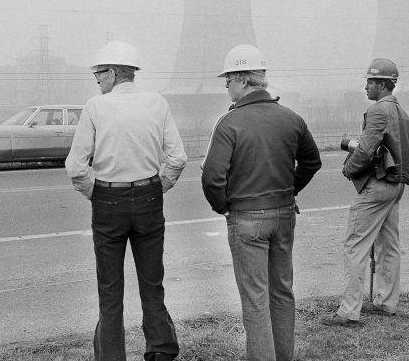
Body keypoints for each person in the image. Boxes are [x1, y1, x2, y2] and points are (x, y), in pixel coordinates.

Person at [65, 40, 187, 361]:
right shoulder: (157, 103)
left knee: (110, 289)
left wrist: (96, 191)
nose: (96, 79)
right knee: (152, 282)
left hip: (108, 201)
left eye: (98, 72)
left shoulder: (95, 107)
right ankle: (160, 350)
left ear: (114, 73)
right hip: (148, 198)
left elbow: (76, 166)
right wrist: (158, 186)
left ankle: (111, 356)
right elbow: (177, 158)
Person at [201, 44, 321, 361]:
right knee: (281, 291)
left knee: (255, 298)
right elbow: (312, 162)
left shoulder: (229, 123)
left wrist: (224, 206)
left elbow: (212, 176)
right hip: (283, 214)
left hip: (246, 217)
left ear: (242, 79)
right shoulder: (291, 119)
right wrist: (288, 191)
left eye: (228, 79)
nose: (226, 85)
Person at [320, 58, 409, 327]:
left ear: (383, 84)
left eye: (370, 82)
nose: (366, 87)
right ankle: (387, 302)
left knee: (355, 245)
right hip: (396, 185)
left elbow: (365, 149)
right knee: (389, 246)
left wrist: (349, 169)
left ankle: (349, 311)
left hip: (377, 186)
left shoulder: (378, 111)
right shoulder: (404, 115)